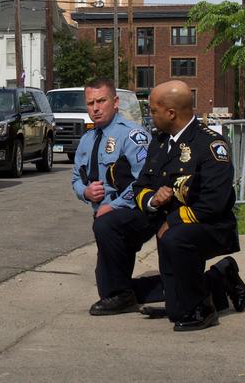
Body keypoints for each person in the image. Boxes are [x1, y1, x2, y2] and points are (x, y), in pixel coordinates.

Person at [133, 80, 245, 331]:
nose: (150, 116)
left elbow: (213, 204)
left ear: (170, 113)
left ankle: (202, 309)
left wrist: (172, 221)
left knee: (175, 239)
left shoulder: (210, 145)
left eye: (153, 110)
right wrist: (154, 199)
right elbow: (140, 186)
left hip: (211, 226)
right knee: (176, 310)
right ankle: (220, 277)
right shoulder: (161, 142)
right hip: (172, 225)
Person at [71, 78, 159, 316]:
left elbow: (144, 182)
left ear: (115, 102)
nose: (95, 108)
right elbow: (76, 179)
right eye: (90, 103)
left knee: (113, 289)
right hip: (106, 218)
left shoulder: (132, 135)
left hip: (136, 213)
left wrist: (115, 206)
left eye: (101, 101)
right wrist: (86, 192)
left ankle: (122, 295)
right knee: (106, 287)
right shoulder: (87, 140)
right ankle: (206, 282)